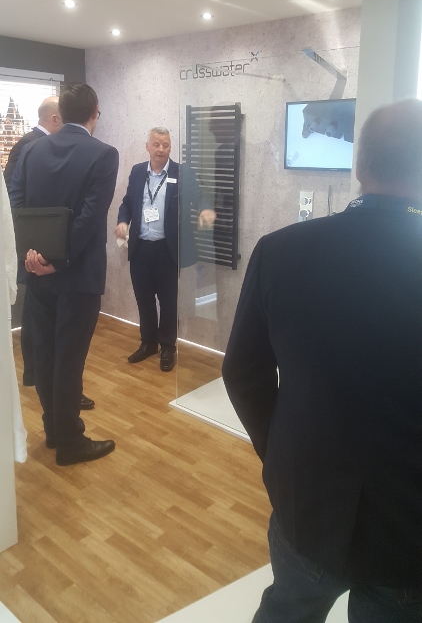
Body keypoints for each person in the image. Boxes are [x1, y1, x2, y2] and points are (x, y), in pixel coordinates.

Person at [222, 99, 422, 622]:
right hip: (409, 522)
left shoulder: (279, 251)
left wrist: (278, 451)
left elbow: (241, 372)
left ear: (359, 165)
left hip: (306, 498)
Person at [10, 82, 119, 466]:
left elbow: (16, 206)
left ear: (63, 113)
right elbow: (90, 217)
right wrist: (59, 259)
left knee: (45, 355)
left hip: (36, 271)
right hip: (77, 276)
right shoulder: (104, 154)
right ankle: (71, 441)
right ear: (94, 113)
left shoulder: (30, 150)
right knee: (69, 360)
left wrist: (33, 255)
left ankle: (54, 430)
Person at [116, 127, 215, 372]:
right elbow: (127, 202)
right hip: (140, 248)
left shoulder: (182, 173)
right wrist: (122, 221)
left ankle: (168, 347)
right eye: (157, 144)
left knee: (169, 302)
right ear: (147, 146)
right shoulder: (137, 171)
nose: (161, 149)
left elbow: (200, 196)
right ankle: (149, 343)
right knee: (144, 300)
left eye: (166, 145)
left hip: (167, 250)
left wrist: (205, 209)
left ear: (170, 147)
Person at [5, 96, 63, 388]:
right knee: (34, 314)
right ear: (54, 119)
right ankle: (35, 373)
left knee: (40, 313)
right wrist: (30, 243)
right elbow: (13, 199)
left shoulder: (42, 144)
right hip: (33, 246)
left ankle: (39, 373)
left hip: (44, 243)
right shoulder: (29, 145)